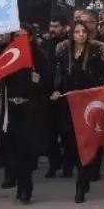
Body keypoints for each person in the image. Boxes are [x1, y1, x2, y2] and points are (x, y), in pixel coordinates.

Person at [51, 21, 104, 203]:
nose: (81, 35)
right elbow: (59, 77)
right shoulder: (64, 54)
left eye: (84, 31)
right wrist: (57, 90)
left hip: (87, 105)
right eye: (77, 32)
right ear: (72, 34)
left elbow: (100, 79)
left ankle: (81, 183)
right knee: (71, 144)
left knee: (84, 143)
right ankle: (82, 174)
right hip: (68, 104)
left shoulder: (95, 54)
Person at [0, 25, 49, 204]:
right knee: (11, 145)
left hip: (30, 109)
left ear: (31, 37)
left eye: (23, 35)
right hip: (10, 108)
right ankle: (11, 177)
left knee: (26, 148)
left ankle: (25, 187)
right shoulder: (7, 53)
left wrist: (39, 81)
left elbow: (48, 83)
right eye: (16, 35)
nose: (19, 38)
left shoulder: (38, 56)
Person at [43, 14, 72, 178]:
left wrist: (60, 88)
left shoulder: (68, 45)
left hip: (64, 93)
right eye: (51, 26)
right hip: (48, 94)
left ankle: (68, 164)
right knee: (50, 133)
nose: (53, 29)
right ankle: (54, 163)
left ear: (65, 27)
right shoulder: (47, 45)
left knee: (66, 132)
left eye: (56, 26)